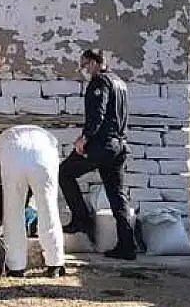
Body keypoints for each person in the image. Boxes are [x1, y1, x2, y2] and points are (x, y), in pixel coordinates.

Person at [58, 49, 137, 261]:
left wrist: (84, 138)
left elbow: (98, 115)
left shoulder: (99, 82)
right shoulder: (120, 83)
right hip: (119, 146)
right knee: (117, 196)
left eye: (84, 65)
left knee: (64, 172)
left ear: (94, 62)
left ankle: (81, 219)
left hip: (102, 146)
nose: (83, 70)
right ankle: (127, 246)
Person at [0, 125, 66, 278]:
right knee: (48, 208)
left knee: (12, 212)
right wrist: (33, 205)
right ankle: (55, 264)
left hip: (13, 155)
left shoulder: (5, 137)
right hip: (44, 156)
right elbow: (47, 183)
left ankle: (15, 267)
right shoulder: (48, 139)